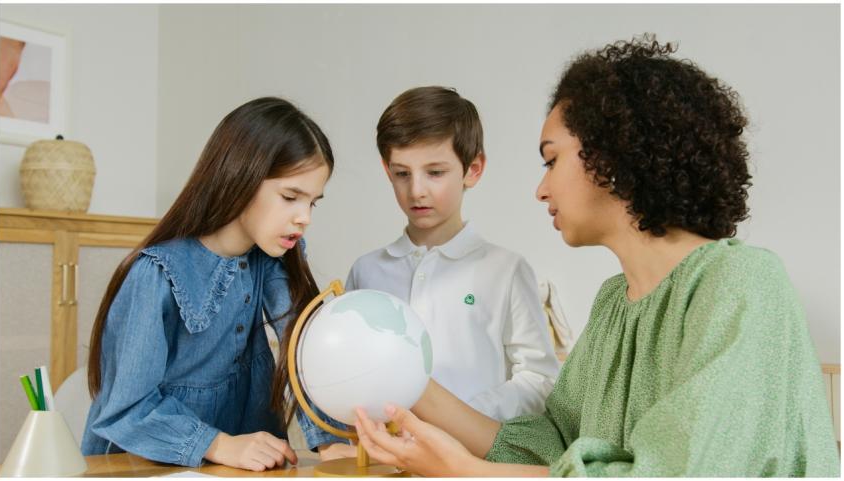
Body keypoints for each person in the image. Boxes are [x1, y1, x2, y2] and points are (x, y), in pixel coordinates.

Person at [353, 35, 841, 477]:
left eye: (551, 159)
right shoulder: (614, 303)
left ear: (612, 156)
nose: (541, 189)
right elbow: (553, 445)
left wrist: (463, 470)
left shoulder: (743, 283)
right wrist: (414, 391)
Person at [82, 97, 350, 471]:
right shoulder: (155, 274)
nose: (303, 217)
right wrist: (219, 444)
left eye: (312, 203)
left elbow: (302, 353)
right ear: (240, 177)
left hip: (240, 467)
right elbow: (125, 409)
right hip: (150, 465)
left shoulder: (272, 261)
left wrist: (331, 441)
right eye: (290, 197)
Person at [345, 86, 560, 422]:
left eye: (435, 173)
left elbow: (540, 379)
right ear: (387, 171)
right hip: (384, 462)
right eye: (402, 173)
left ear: (472, 170)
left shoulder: (505, 270)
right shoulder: (367, 271)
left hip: (470, 463)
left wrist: (463, 417)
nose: (417, 190)